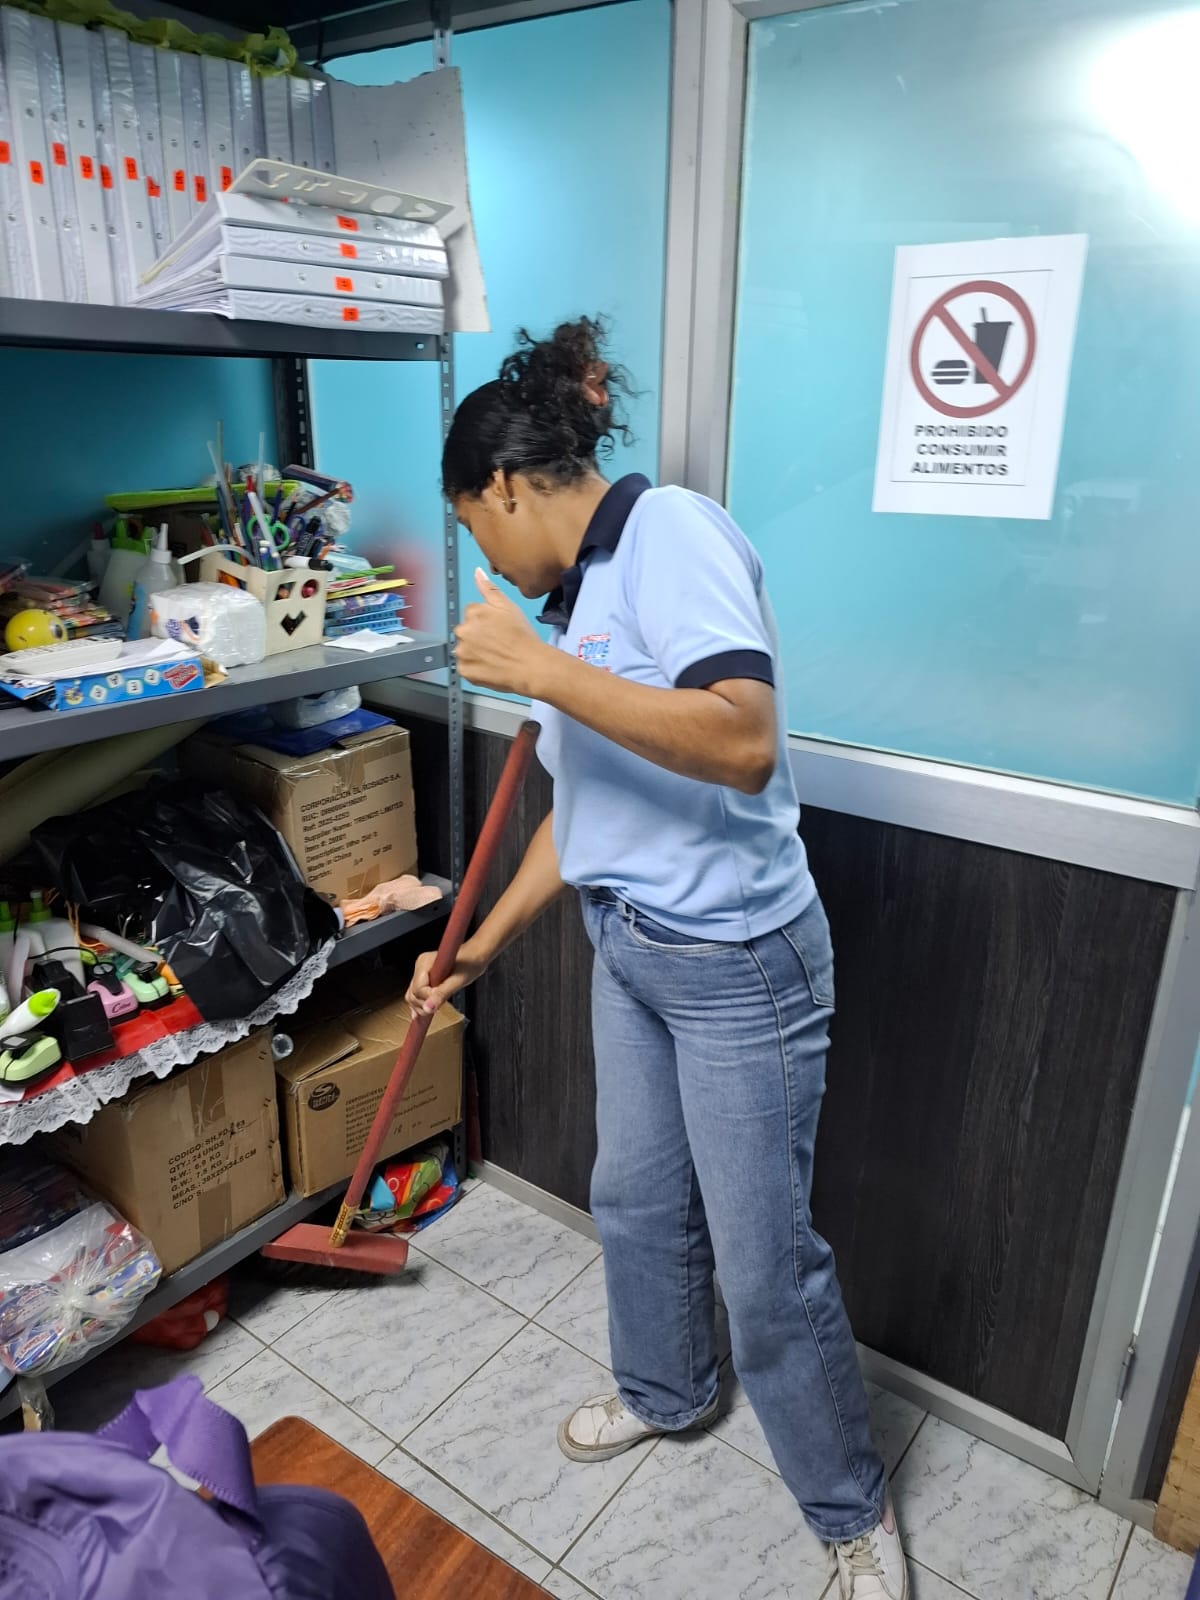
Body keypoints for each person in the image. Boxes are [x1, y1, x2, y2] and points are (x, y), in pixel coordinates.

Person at [406, 318, 908, 1600]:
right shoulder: (574, 598)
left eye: (472, 529)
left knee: (766, 1268)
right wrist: (480, 946)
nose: (486, 561)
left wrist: (541, 669)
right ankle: (667, 1389)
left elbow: (742, 738)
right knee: (631, 1197)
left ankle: (850, 1508)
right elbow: (586, 813)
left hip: (741, 964)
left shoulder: (673, 533)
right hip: (629, 944)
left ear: (506, 487)